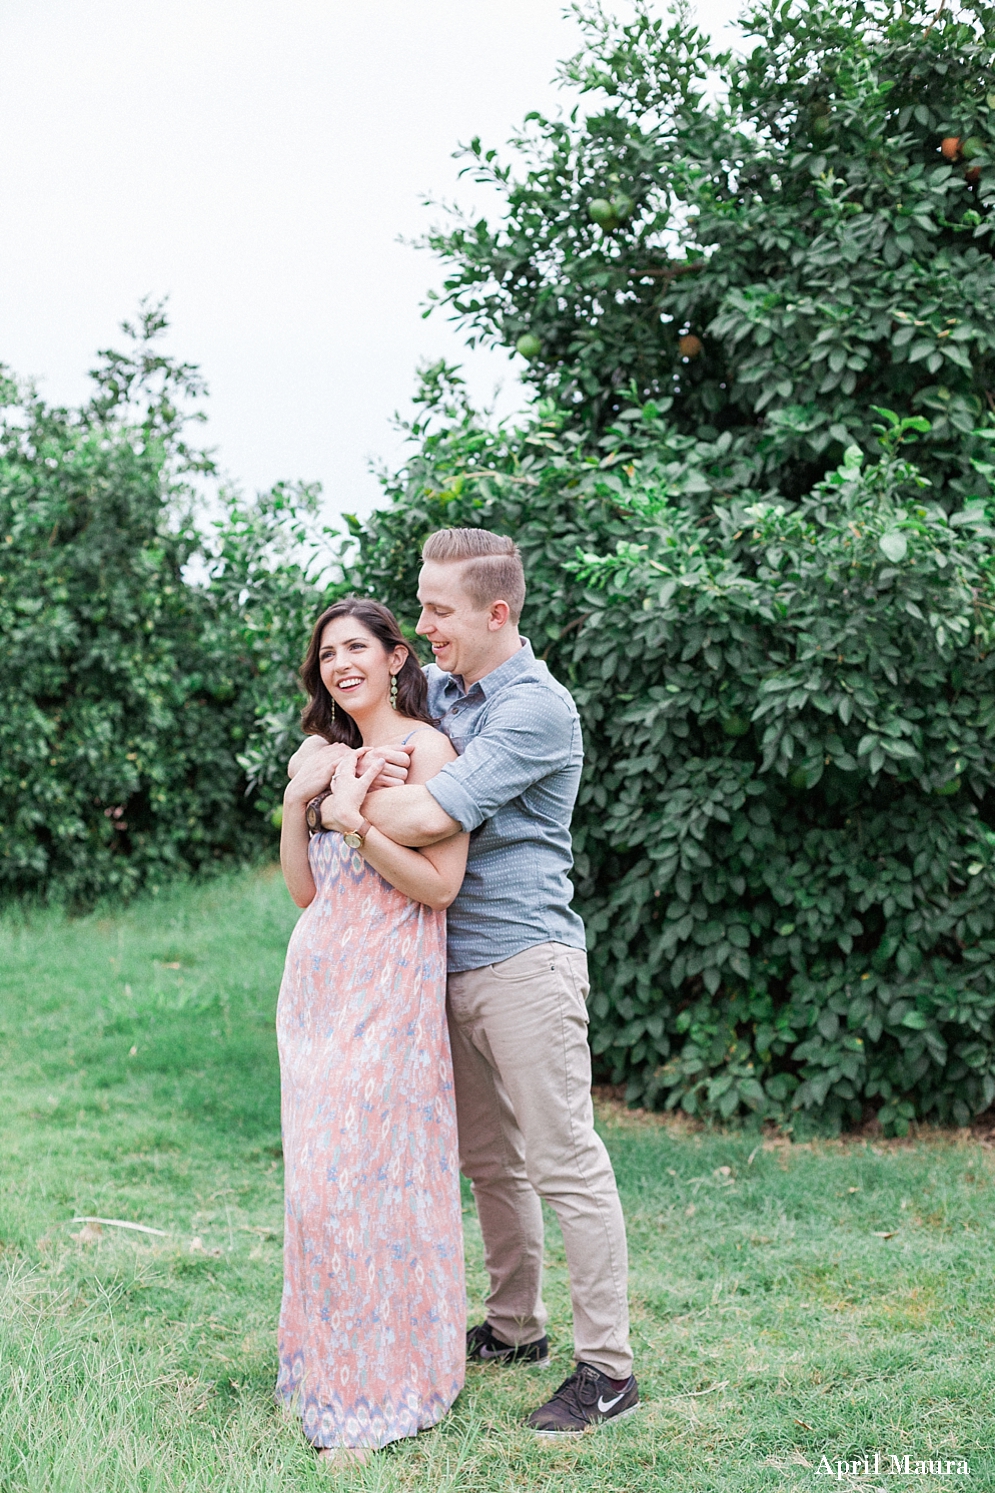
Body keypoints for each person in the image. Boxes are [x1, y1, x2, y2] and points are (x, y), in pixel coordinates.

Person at [302, 529, 638, 1435]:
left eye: (439, 610)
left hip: (523, 960)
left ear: (497, 613)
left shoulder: (537, 709)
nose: (423, 624)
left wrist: (335, 793)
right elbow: (388, 745)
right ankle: (516, 1325)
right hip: (438, 963)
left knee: (565, 1160)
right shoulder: (444, 691)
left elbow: (423, 812)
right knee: (488, 1161)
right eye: (420, 604)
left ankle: (606, 1368)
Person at [275, 597, 468, 1469]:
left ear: (396, 656)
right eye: (326, 654)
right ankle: (327, 1370)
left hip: (390, 990)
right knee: (320, 1188)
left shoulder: (426, 749)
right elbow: (305, 892)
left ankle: (387, 1388)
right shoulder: (327, 756)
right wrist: (300, 799)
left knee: (370, 1185)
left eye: (357, 647)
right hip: (317, 985)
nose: (340, 664)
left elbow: (438, 887)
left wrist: (353, 818)